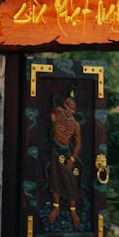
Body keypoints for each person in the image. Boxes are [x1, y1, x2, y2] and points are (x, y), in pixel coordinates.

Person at [47, 93, 81, 227]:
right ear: (64, 105)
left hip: (66, 152)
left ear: (74, 110)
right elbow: (53, 114)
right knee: (54, 179)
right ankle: (56, 208)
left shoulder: (75, 125)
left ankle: (73, 211)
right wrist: (53, 118)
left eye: (72, 108)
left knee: (70, 181)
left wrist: (72, 159)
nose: (69, 110)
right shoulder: (59, 113)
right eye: (67, 106)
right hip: (55, 148)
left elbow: (78, 143)